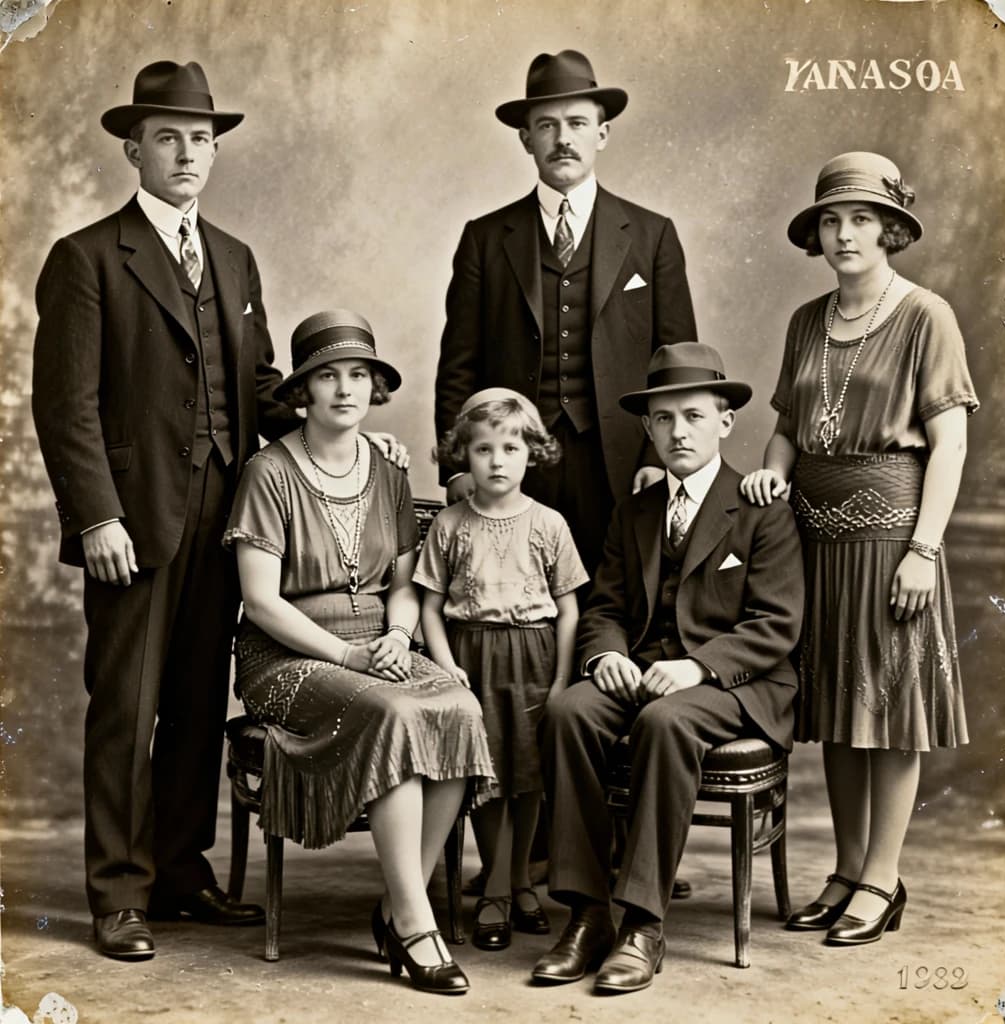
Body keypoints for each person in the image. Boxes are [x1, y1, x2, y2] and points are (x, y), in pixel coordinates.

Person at [31, 61, 297, 961]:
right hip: (133, 522)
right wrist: (95, 517)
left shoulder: (235, 256)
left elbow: (253, 388)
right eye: (171, 138)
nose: (190, 154)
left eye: (203, 140)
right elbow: (65, 406)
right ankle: (118, 894)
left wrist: (338, 419)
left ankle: (180, 874)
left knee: (193, 701)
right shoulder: (87, 258)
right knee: (126, 705)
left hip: (225, 519)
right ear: (132, 148)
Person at [740, 152, 977, 946]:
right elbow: (784, 429)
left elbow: (948, 443)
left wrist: (926, 548)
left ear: (890, 229)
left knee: (889, 711)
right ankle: (843, 871)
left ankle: (882, 878)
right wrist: (772, 477)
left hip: (891, 541)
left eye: (862, 219)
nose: (845, 235)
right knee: (838, 711)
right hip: (813, 543)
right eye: (832, 221)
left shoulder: (925, 316)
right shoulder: (807, 321)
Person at [224, 309, 493, 995]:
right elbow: (261, 603)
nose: (345, 389)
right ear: (302, 392)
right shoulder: (269, 471)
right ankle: (414, 923)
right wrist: (350, 660)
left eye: (359, 375)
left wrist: (399, 637)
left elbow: (404, 586)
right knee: (395, 713)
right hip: (287, 657)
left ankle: (394, 904)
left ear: (374, 387)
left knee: (459, 708)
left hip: (378, 645)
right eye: (327, 376)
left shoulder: (388, 471)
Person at [533, 344, 804, 994]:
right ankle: (587, 912)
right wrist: (607, 655)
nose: (679, 432)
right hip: (645, 670)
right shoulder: (637, 510)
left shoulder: (760, 507)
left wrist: (700, 670)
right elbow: (605, 605)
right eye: (664, 420)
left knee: (665, 722)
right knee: (568, 712)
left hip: (735, 683)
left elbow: (776, 625)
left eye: (693, 416)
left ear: (724, 422)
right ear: (648, 429)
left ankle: (644, 924)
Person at [435, 49, 698, 576]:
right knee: (513, 596)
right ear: (526, 138)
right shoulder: (485, 238)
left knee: (615, 597)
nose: (563, 138)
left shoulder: (651, 235)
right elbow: (458, 364)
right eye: (547, 125)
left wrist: (655, 459)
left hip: (621, 462)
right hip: (511, 459)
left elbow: (678, 364)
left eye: (578, 123)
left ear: (602, 133)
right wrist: (456, 467)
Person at [415, 388, 588, 952]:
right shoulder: (451, 525)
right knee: (485, 777)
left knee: (527, 771)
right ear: (463, 454)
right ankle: (497, 886)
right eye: (484, 449)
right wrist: (444, 666)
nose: (497, 460)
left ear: (531, 452)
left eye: (510, 448)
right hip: (472, 656)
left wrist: (562, 677)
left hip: (534, 656)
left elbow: (568, 609)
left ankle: (517, 881)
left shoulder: (550, 524)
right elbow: (430, 606)